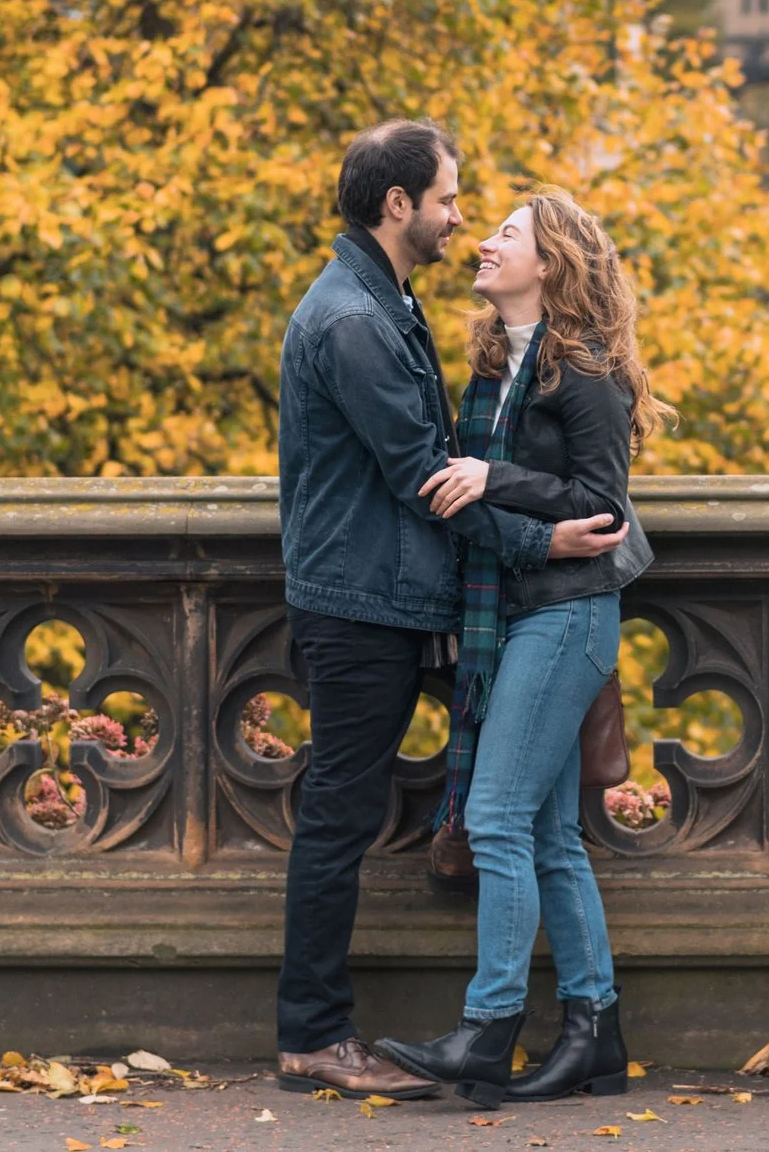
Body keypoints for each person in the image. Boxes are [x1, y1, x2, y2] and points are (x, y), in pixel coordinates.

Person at [275, 125, 628, 1100]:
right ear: (399, 205)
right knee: (349, 814)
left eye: (489, 217)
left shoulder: (394, 308)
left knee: (525, 822)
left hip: (473, 605)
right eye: (450, 198)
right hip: (367, 602)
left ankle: (563, 1027)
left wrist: (540, 532)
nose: (462, 218)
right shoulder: (357, 316)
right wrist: (538, 542)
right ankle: (314, 1033)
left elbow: (584, 491)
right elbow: (427, 476)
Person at [377, 190, 665, 1107]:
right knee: (546, 835)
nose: (485, 240)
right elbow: (484, 512)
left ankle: (487, 1028)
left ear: (551, 264)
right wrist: (509, 504)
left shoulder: (581, 372)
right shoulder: (496, 368)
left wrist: (493, 476)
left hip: (569, 616)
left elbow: (603, 504)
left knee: (498, 818)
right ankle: (594, 1033)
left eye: (508, 233)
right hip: (524, 607)